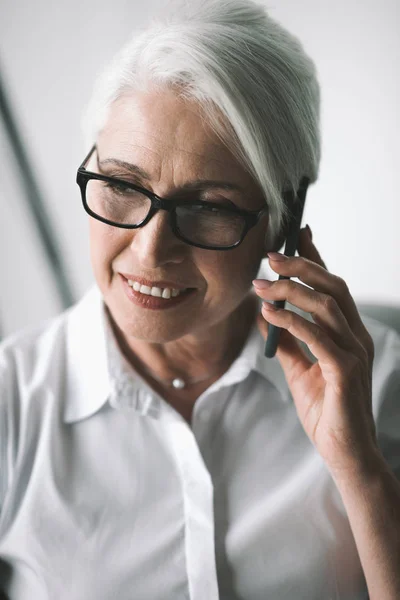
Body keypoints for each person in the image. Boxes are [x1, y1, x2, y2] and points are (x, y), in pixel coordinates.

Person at [1, 1, 400, 598]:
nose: (150, 251)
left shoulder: (383, 380)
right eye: (121, 185)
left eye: (209, 207)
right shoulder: (13, 405)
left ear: (284, 220)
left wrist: (360, 470)